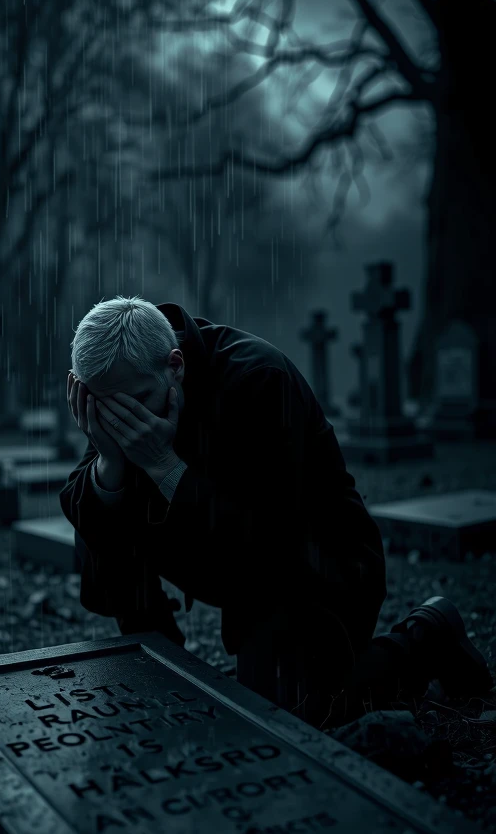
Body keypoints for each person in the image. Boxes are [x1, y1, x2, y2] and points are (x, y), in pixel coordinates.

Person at [59, 296, 492, 729]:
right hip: (231, 557)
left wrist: (164, 465)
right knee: (100, 502)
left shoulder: (259, 377)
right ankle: (157, 654)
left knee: (288, 714)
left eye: (135, 404)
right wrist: (109, 464)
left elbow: (268, 539)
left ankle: (426, 638)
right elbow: (86, 514)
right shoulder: (121, 380)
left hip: (315, 565)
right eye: (106, 410)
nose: (123, 421)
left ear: (176, 366)